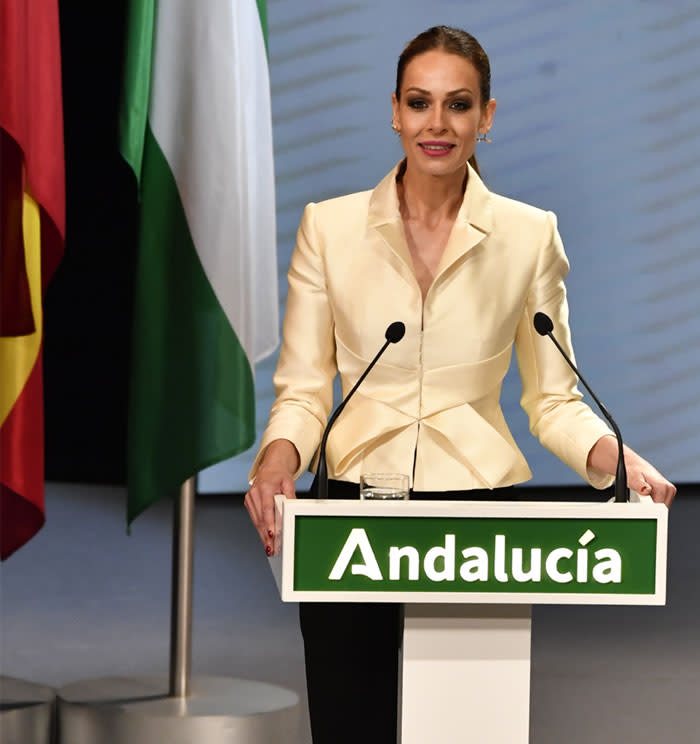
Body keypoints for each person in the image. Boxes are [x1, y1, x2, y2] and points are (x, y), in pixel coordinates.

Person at [244, 25, 676, 744]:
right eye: (419, 103)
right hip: (351, 519)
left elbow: (553, 398)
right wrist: (277, 460)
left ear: (488, 116)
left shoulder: (528, 235)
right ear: (394, 111)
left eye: (458, 105)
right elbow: (303, 389)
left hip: (476, 519)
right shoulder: (330, 229)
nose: (436, 124)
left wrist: (619, 460)